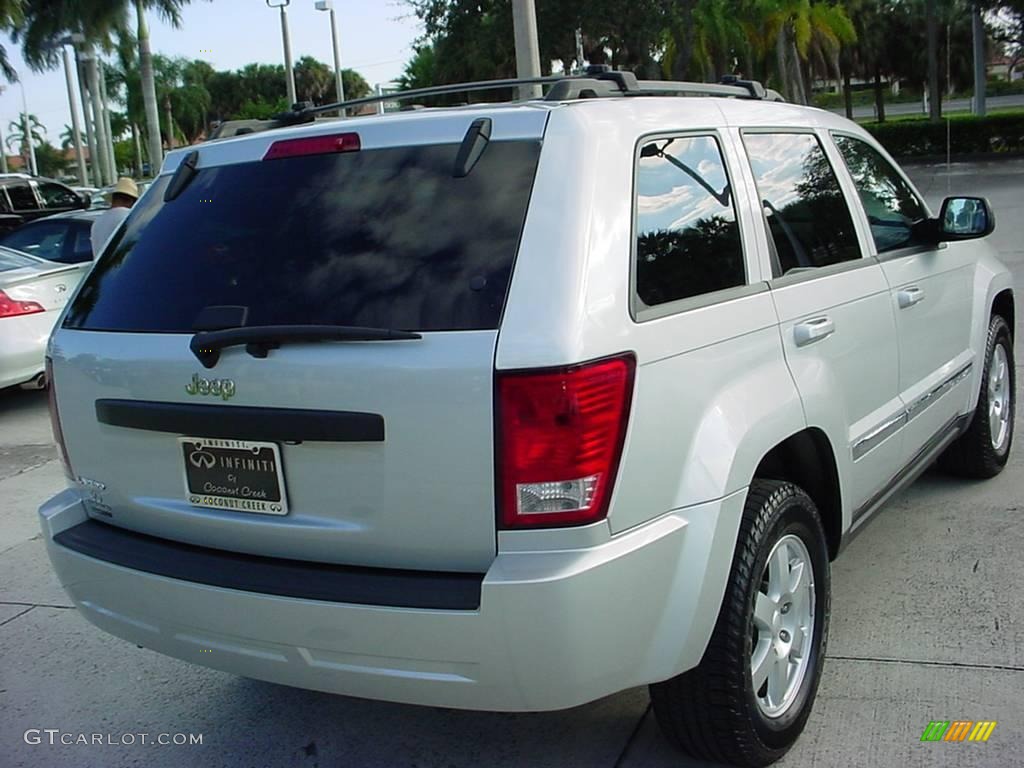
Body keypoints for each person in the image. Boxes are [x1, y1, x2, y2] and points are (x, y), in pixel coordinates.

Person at [90, 177, 139, 258]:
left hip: (104, 269)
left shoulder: (98, 222)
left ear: (113, 199)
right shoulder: (130, 218)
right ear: (131, 201)